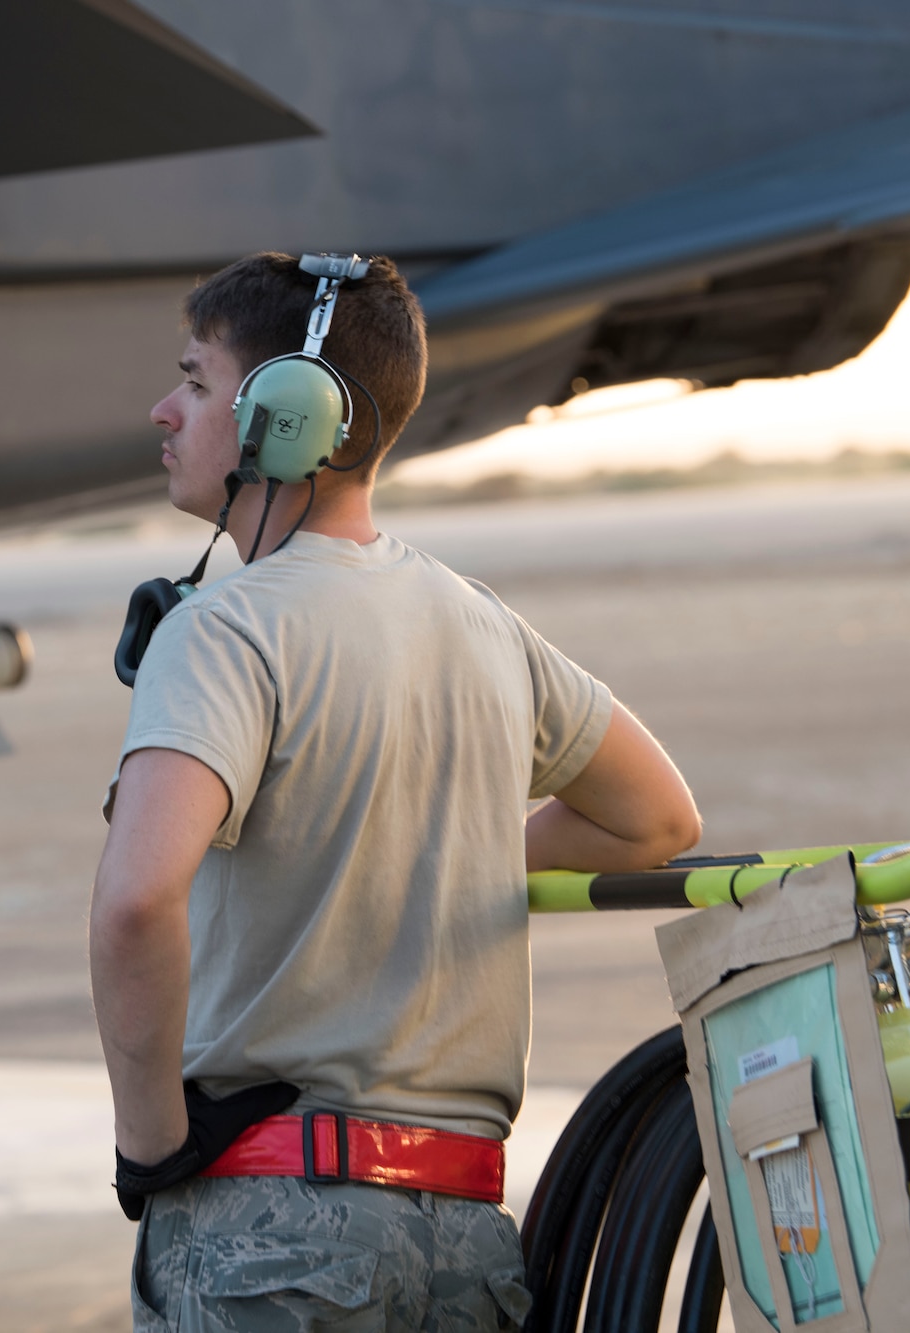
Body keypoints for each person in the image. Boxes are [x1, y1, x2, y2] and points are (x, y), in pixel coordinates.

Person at [91, 252, 701, 1331]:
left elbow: (137, 900)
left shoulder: (223, 628)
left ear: (287, 413)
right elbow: (656, 819)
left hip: (268, 1238)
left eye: (193, 380)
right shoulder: (479, 621)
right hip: (464, 1241)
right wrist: (429, 850)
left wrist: (148, 1146)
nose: (163, 410)